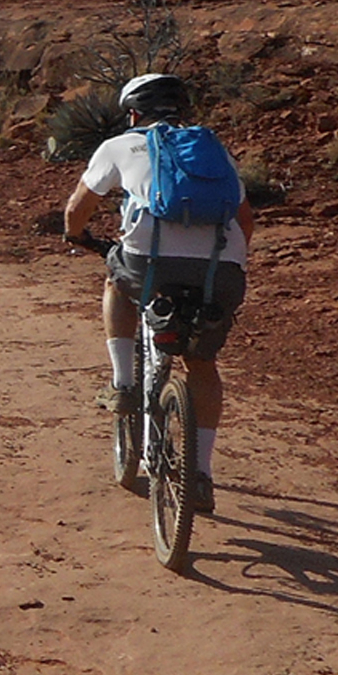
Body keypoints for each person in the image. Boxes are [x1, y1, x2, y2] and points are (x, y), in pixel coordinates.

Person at [62, 72, 254, 515]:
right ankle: (201, 474)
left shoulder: (118, 147)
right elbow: (245, 218)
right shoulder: (211, 149)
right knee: (202, 364)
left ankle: (124, 385)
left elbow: (79, 209)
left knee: (116, 279)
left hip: (149, 266)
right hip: (219, 268)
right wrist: (232, 265)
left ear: (132, 113)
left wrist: (77, 237)